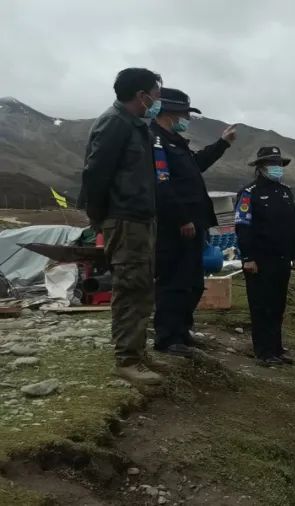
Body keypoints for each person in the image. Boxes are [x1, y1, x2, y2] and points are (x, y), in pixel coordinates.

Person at [78, 68, 163, 385]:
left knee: (141, 286)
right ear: (142, 96)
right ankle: (127, 360)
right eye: (155, 95)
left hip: (140, 218)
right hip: (124, 219)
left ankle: (138, 352)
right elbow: (96, 174)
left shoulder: (136, 125)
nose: (157, 102)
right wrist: (100, 219)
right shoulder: (114, 123)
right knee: (129, 287)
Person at [150, 88, 237, 358]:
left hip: (195, 223)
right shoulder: (155, 141)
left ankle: (183, 331)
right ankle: (168, 337)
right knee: (174, 281)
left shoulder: (176, 141)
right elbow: (161, 185)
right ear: (170, 112)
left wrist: (222, 144)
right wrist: (182, 218)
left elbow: (195, 165)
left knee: (192, 281)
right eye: (184, 114)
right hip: (175, 225)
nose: (186, 119)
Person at [235, 146, 295, 367]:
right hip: (259, 260)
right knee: (262, 306)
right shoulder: (249, 193)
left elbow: (292, 224)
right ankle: (263, 352)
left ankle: (276, 348)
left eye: (279, 164)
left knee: (278, 304)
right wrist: (248, 258)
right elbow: (243, 226)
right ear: (261, 167)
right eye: (273, 164)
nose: (277, 168)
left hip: (282, 258)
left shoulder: (285, 192)